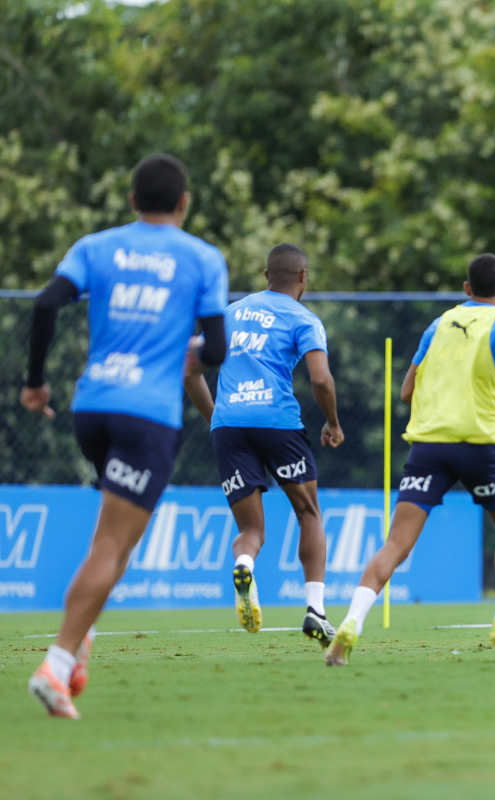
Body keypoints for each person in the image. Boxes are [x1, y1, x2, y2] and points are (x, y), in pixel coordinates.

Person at [21, 154, 229, 719]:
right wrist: (184, 352)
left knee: (115, 538)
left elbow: (45, 304)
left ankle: (80, 642)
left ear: (133, 202)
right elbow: (215, 352)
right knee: (113, 543)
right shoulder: (203, 259)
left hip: (93, 408)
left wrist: (36, 384)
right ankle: (57, 665)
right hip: (148, 414)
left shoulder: (96, 246)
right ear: (184, 203)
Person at [324, 254, 495, 665]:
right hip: (477, 443)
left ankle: (351, 622)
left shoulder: (438, 324)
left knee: (396, 543)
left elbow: (407, 390)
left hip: (428, 446)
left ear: (465, 289)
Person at [183, 243, 345, 646]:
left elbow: (189, 370)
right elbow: (321, 380)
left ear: (265, 274)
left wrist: (216, 417)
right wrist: (332, 422)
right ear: (303, 277)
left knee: (251, 529)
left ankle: (243, 563)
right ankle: (316, 612)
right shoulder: (303, 318)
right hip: (278, 423)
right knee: (308, 512)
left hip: (230, 425)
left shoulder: (231, 314)